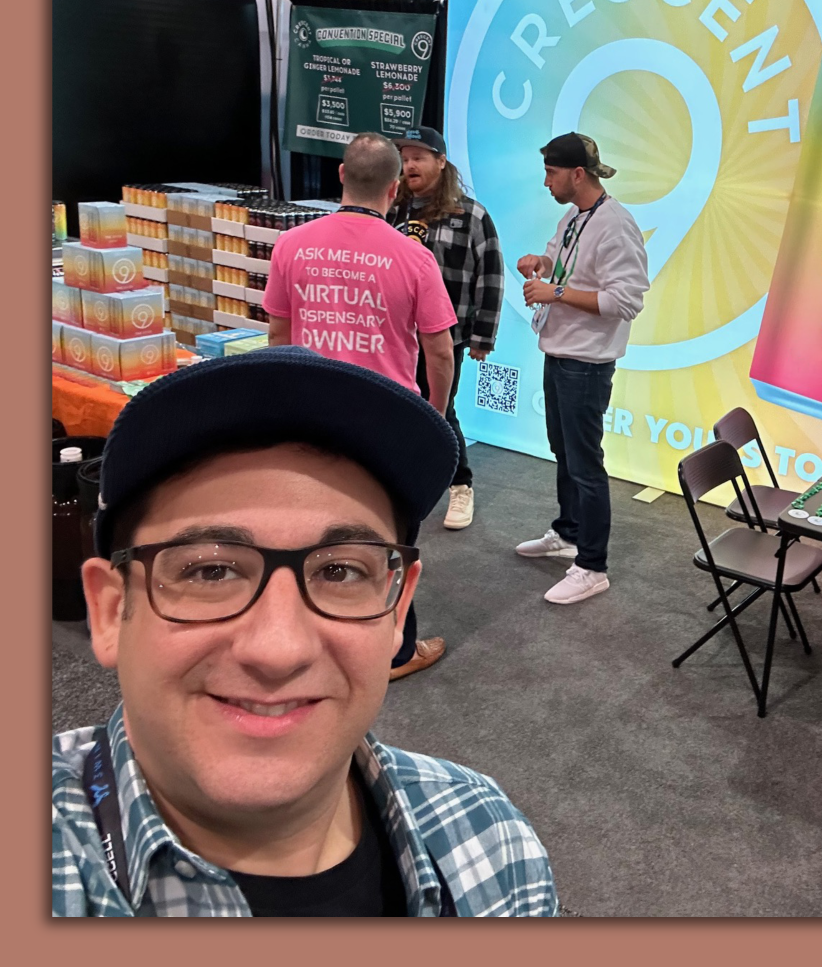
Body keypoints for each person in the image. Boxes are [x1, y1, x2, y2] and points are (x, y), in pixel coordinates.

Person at [53, 348, 558, 916]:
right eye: (210, 570)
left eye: (340, 571)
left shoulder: (491, 846)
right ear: (109, 610)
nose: (279, 648)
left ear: (397, 610)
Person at [265, 132, 455, 680]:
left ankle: (309, 636)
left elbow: (279, 337)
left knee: (310, 530)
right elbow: (439, 351)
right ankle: (394, 652)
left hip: (313, 413)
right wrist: (436, 418)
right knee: (389, 539)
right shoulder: (414, 257)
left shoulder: (291, 245)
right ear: (395, 189)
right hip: (386, 419)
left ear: (342, 176)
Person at [511, 133, 649, 605]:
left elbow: (626, 301)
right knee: (564, 451)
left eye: (551, 173)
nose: (546, 182)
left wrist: (557, 293)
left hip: (587, 363)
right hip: (561, 351)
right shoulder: (573, 215)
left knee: (585, 463)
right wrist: (540, 262)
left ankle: (593, 565)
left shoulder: (616, 225)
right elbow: (559, 257)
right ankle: (568, 532)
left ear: (577, 174)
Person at [385, 127, 504, 531]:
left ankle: (460, 485)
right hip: (393, 333)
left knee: (441, 408)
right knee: (396, 406)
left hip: (444, 335)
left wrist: (482, 337)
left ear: (441, 162)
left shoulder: (471, 214)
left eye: (420, 156)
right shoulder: (390, 209)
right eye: (405, 156)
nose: (410, 164)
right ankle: (400, 482)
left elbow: (490, 274)